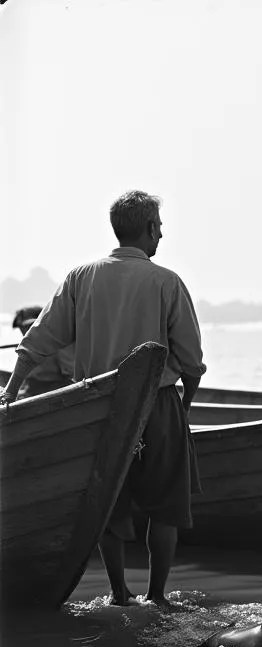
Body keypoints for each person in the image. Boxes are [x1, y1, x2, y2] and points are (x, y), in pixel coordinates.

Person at [0, 190, 206, 607]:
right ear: (149, 229)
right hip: (157, 403)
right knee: (166, 506)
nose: (162, 234)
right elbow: (191, 360)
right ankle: (158, 596)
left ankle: (118, 594)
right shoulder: (166, 281)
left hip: (99, 409)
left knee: (108, 503)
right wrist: (183, 407)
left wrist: (10, 391)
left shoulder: (82, 277)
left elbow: (37, 341)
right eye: (160, 226)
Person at [9, 306, 75, 397]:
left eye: (28, 327)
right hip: (28, 393)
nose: (24, 332)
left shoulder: (59, 343)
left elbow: (71, 374)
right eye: (21, 328)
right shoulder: (25, 350)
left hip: (52, 395)